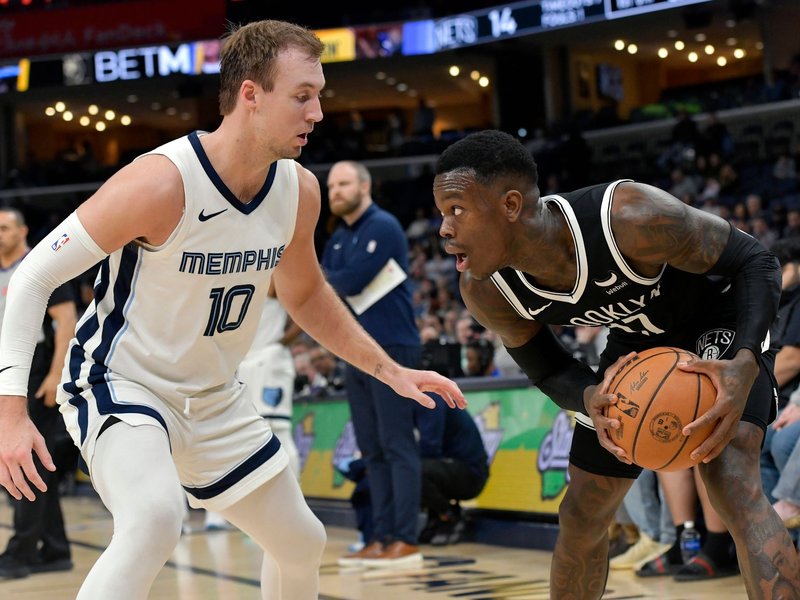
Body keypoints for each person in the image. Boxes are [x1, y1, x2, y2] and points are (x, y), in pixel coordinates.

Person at [0, 21, 465, 600]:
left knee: (302, 542)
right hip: (122, 382)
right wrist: (10, 413)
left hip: (215, 396)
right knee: (153, 519)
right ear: (250, 94)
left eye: (319, 96)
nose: (318, 112)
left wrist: (390, 371)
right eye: (302, 96)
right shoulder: (161, 182)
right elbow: (33, 277)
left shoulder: (300, 192)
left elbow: (306, 295)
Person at [433, 130, 798, 598]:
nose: (444, 229)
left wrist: (746, 360)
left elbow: (758, 262)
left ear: (509, 205)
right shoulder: (485, 289)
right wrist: (590, 396)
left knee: (729, 477)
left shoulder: (629, 216)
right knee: (582, 511)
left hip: (721, 319)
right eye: (443, 214)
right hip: (637, 347)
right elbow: (546, 369)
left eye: (456, 210)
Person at [323, 160, 425, 567]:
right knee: (372, 448)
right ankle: (381, 536)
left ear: (365, 186)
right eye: (331, 185)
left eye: (344, 183)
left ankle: (405, 537)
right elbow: (326, 288)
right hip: (357, 352)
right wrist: (330, 279)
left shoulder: (384, 226)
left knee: (397, 445)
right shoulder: (335, 240)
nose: (335, 191)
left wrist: (328, 278)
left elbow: (346, 284)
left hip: (394, 348)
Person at [0, 208, 77, 579]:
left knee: (22, 460)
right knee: (35, 464)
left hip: (36, 372)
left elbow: (66, 319)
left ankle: (20, 552)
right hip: (7, 375)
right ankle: (56, 549)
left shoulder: (38, 264)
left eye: (4, 228)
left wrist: (55, 375)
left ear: (23, 230)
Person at [204, 281, 303, 530]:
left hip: (268, 360)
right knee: (236, 435)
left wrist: (279, 344)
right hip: (242, 361)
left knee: (277, 431)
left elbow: (305, 308)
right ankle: (234, 512)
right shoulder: (232, 271)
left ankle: (292, 510)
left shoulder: (272, 270)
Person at [414, 395, 489, 546]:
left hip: (470, 473)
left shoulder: (430, 399)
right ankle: (435, 516)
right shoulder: (417, 401)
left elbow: (430, 447)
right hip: (451, 466)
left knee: (412, 470)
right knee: (404, 467)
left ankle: (450, 514)